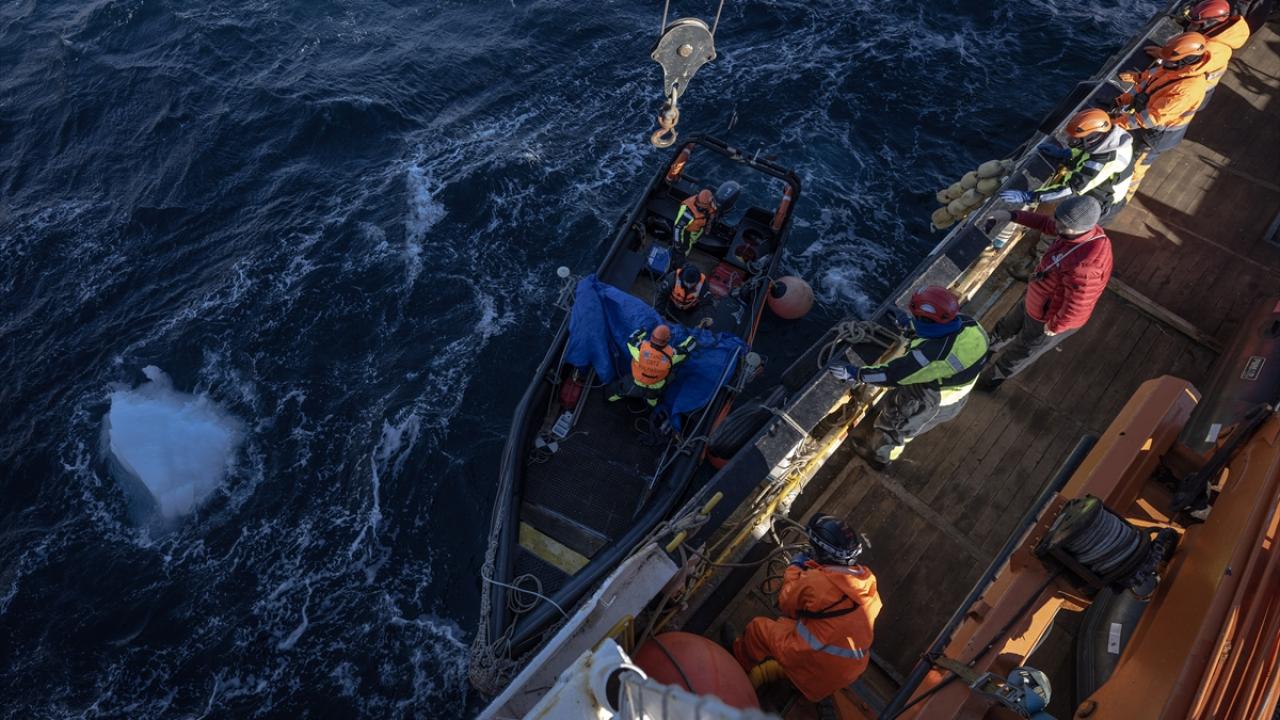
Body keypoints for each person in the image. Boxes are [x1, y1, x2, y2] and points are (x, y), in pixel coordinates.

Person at [829, 286, 989, 470]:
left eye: (915, 315)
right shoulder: (969, 324)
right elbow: (935, 331)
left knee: (897, 427)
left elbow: (891, 375)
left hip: (934, 399)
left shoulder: (928, 357)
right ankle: (890, 446)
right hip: (957, 392)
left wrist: (854, 373)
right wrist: (907, 324)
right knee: (910, 424)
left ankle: (880, 458)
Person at [732, 514, 880, 704]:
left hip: (814, 663)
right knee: (793, 625)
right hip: (848, 670)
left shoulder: (816, 582)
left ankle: (736, 663)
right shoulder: (867, 580)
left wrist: (795, 567)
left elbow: (786, 603)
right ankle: (783, 673)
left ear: (821, 552)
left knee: (757, 629)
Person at [977, 197, 1113, 392]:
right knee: (1006, 327)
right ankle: (982, 355)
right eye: (1058, 218)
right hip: (1037, 297)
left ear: (1077, 228)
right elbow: (1046, 224)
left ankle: (989, 381)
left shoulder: (1087, 265)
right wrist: (1011, 215)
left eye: (1062, 224)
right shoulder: (1074, 232)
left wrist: (1056, 325)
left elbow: (1079, 304)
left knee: (1021, 351)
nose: (1055, 225)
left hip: (1047, 319)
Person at [1113, 32, 1212, 194]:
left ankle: (1121, 198)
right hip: (1149, 125)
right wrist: (1126, 98)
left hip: (1156, 136)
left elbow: (1151, 118)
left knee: (1134, 170)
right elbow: (1153, 82)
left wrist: (1115, 123)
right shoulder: (1177, 69)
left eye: (1168, 59)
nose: (1163, 61)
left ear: (1185, 60)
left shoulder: (1187, 89)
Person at [999, 109, 1134, 223]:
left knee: (1064, 226)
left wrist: (1029, 196)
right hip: (1097, 185)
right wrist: (1066, 153)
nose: (1070, 141)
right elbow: (1086, 152)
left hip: (1100, 201)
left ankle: (1042, 250)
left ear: (1090, 139)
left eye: (1074, 139)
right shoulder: (1106, 139)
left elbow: (1071, 188)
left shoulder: (1104, 161)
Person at [607, 323, 696, 407]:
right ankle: (650, 406)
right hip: (656, 386)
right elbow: (687, 348)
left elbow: (631, 339)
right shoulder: (672, 356)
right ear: (668, 339)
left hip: (636, 384)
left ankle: (611, 398)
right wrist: (695, 335)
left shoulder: (639, 350)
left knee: (622, 389)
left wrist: (644, 329)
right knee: (653, 398)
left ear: (652, 337)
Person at [673, 188, 717, 255]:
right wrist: (678, 244)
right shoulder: (688, 212)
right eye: (700, 205)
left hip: (698, 230)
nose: (701, 207)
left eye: (703, 206)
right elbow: (678, 227)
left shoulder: (710, 202)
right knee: (684, 250)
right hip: (687, 232)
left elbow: (712, 210)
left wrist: (709, 224)